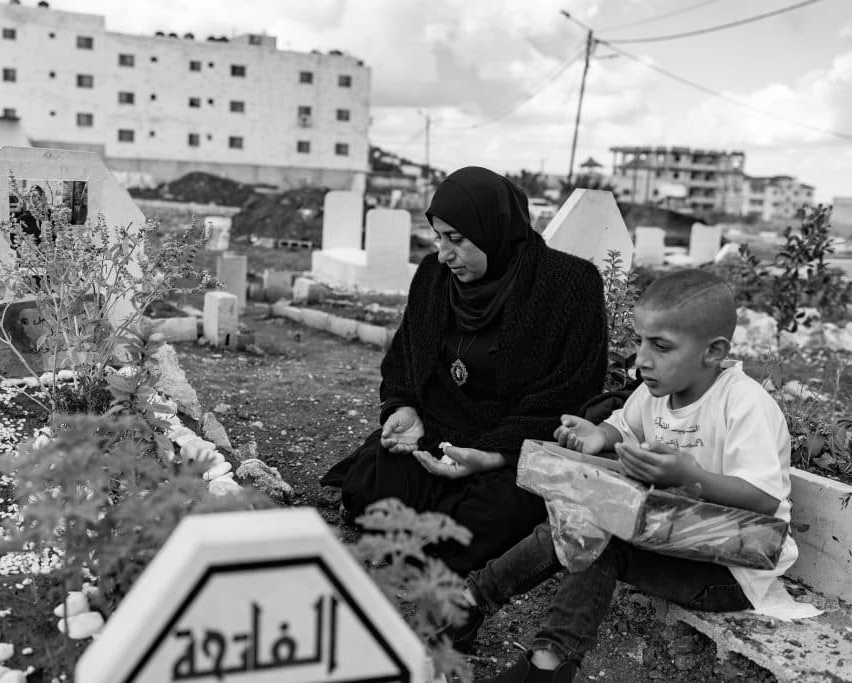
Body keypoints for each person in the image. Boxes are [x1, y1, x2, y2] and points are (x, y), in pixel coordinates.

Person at [457, 269, 798, 683]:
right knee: (574, 519)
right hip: (670, 536)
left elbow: (763, 498)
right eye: (639, 341)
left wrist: (690, 476)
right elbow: (624, 422)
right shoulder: (656, 393)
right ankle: (469, 603)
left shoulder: (744, 404)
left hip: (729, 568)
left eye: (661, 346)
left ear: (713, 351)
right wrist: (598, 435)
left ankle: (545, 665)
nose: (642, 359)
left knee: (600, 541)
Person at [320, 166, 608, 575]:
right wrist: (404, 409)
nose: (443, 253)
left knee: (486, 518)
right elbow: (404, 358)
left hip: (515, 448)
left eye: (457, 239)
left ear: (496, 229)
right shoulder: (434, 277)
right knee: (374, 483)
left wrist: (491, 455)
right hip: (441, 434)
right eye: (439, 237)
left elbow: (570, 393)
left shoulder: (571, 287)